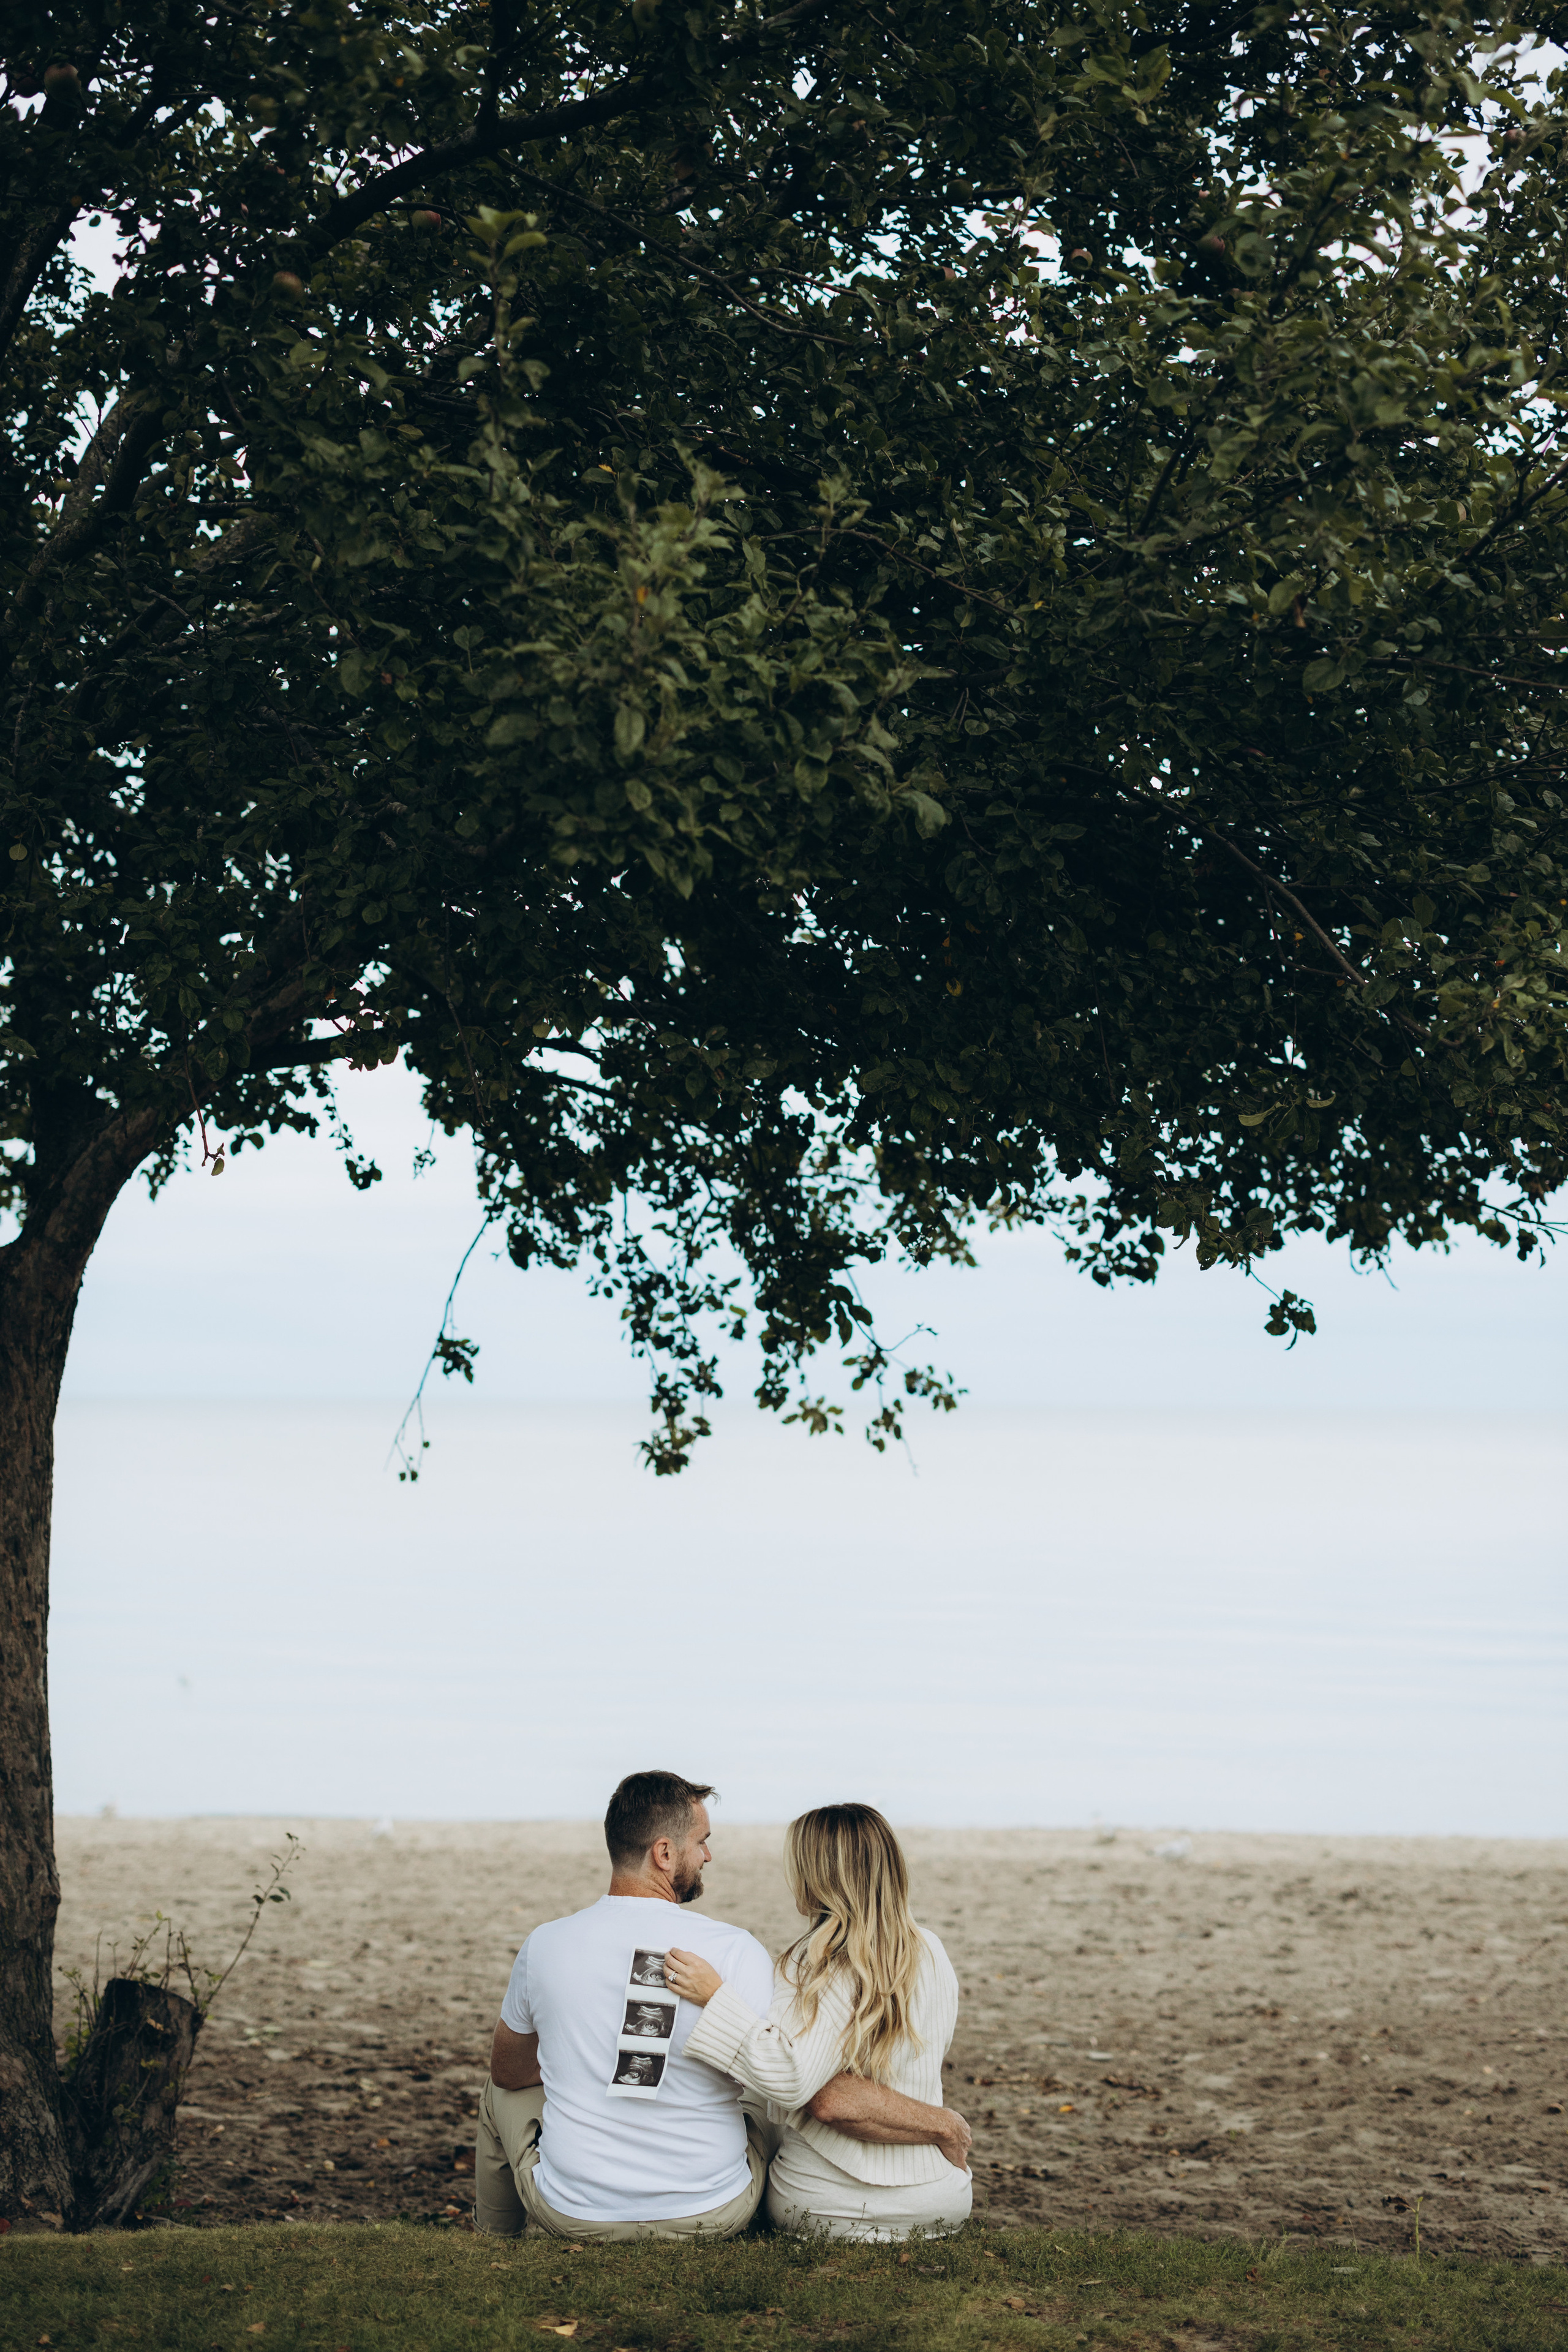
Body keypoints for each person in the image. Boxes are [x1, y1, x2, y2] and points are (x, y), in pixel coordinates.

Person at [475, 1771, 963, 2241]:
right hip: (712, 2210)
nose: (708, 1855)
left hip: (573, 2211)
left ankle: (493, 2237)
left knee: (498, 2093)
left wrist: (587, 2066)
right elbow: (782, 2079)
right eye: (702, 1841)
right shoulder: (737, 1948)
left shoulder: (545, 1945)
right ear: (664, 1853)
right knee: (757, 2099)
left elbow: (510, 2072)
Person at [666, 1802, 973, 2241]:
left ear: (818, 1876)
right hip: (938, 2199)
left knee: (750, 2097)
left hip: (827, 2205)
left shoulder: (811, 1963)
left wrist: (715, 1998)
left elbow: (803, 2086)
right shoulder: (933, 1950)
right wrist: (943, 2123)